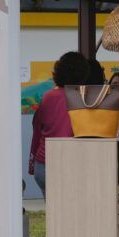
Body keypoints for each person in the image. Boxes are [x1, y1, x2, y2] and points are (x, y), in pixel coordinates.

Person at [29, 52, 89, 196]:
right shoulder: (85, 98)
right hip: (71, 165)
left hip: (44, 164)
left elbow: (37, 131)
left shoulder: (48, 97)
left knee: (54, 213)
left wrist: (32, 164)